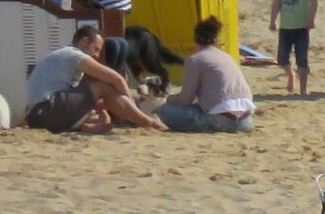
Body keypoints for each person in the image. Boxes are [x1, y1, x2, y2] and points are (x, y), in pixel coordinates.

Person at [22, 25, 165, 132]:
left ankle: (85, 126)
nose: (97, 56)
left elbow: (87, 99)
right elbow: (116, 79)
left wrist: (108, 105)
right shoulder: (73, 54)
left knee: (101, 105)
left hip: (38, 117)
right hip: (46, 109)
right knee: (103, 86)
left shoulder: (61, 55)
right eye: (96, 49)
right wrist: (133, 106)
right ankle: (147, 122)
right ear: (84, 42)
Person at [159, 16, 253, 132]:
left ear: (195, 40)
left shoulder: (195, 60)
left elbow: (185, 100)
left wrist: (169, 99)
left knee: (163, 110)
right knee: (199, 107)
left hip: (223, 120)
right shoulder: (226, 57)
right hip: (246, 120)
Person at [268, 0, 317, 95]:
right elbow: (276, 4)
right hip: (285, 28)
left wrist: (311, 19)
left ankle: (303, 90)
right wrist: (272, 20)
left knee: (302, 59)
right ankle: (290, 75)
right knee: (282, 58)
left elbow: (313, 1)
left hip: (301, 28)